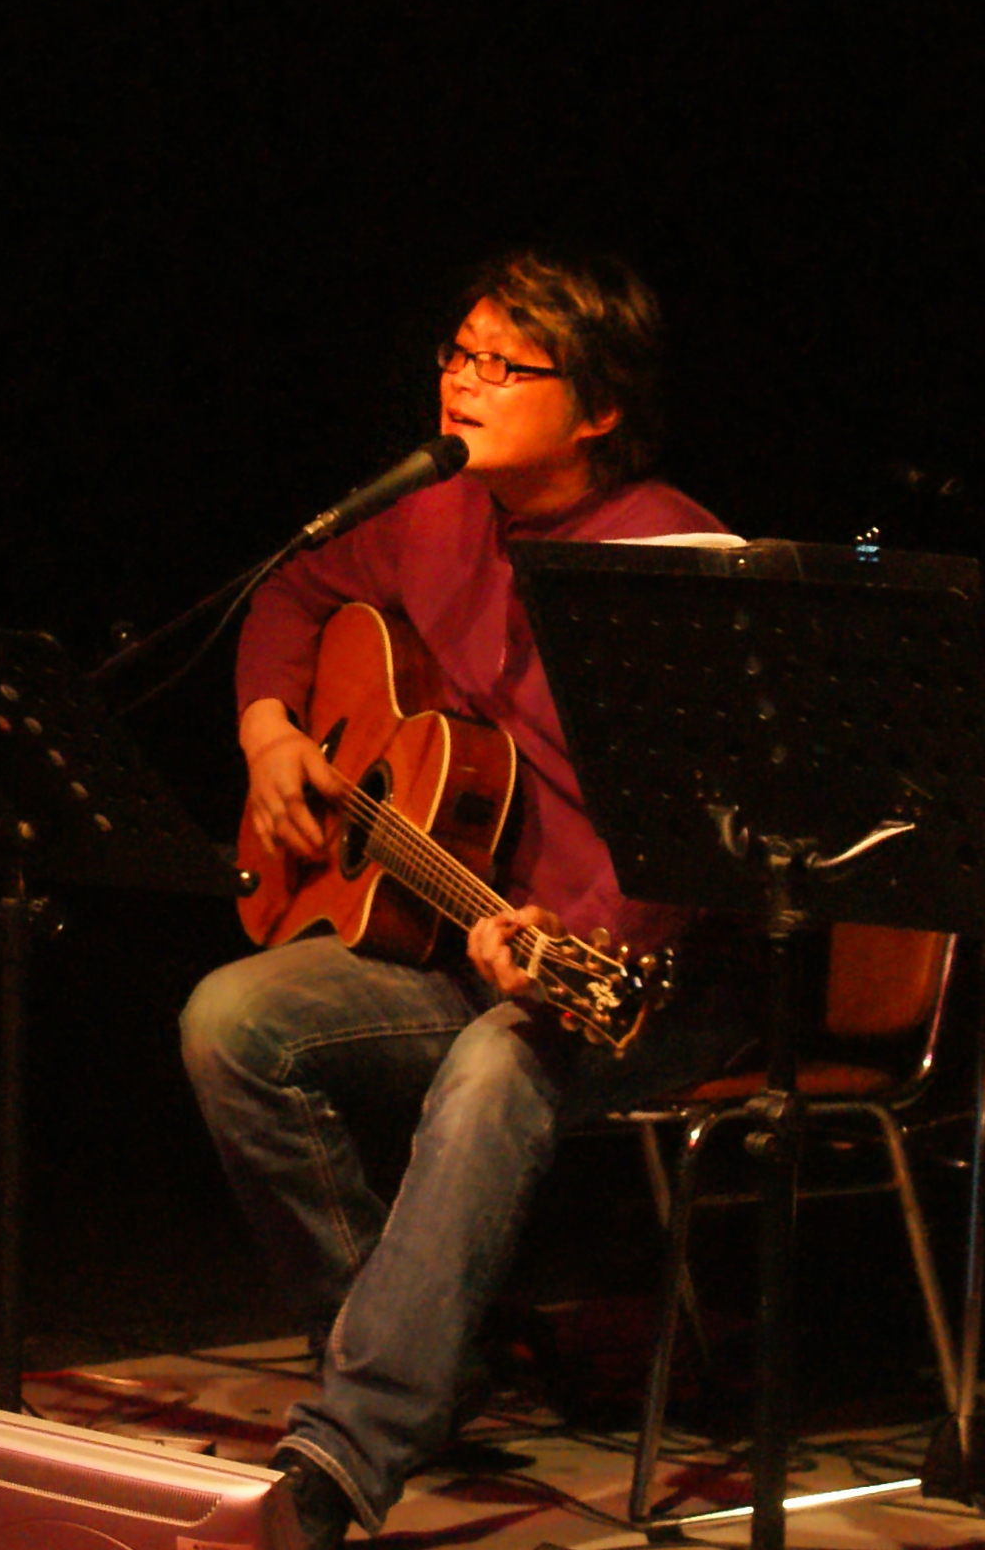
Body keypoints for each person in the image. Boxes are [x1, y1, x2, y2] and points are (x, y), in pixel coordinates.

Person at [178, 251, 760, 1546]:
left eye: (506, 364)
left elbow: (709, 833)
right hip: (465, 939)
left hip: (651, 983)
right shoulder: (434, 511)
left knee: (501, 1061)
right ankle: (408, 1366)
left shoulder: (672, 556)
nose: (464, 381)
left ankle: (346, 1453)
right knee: (234, 1021)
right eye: (459, 352)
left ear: (600, 407)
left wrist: (584, 942)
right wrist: (271, 731)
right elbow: (292, 593)